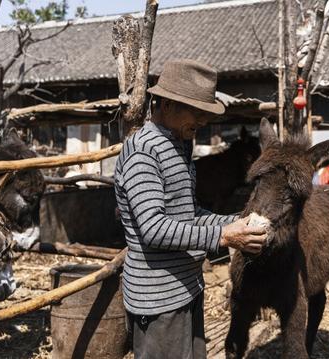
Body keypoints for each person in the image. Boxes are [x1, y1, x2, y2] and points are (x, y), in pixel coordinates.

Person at [114, 59, 267, 358]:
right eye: (197, 112)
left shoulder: (178, 146)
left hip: (186, 287)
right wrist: (224, 237)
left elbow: (188, 214)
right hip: (159, 299)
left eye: (205, 113)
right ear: (167, 105)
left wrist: (236, 221)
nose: (202, 121)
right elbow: (153, 229)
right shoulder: (143, 151)